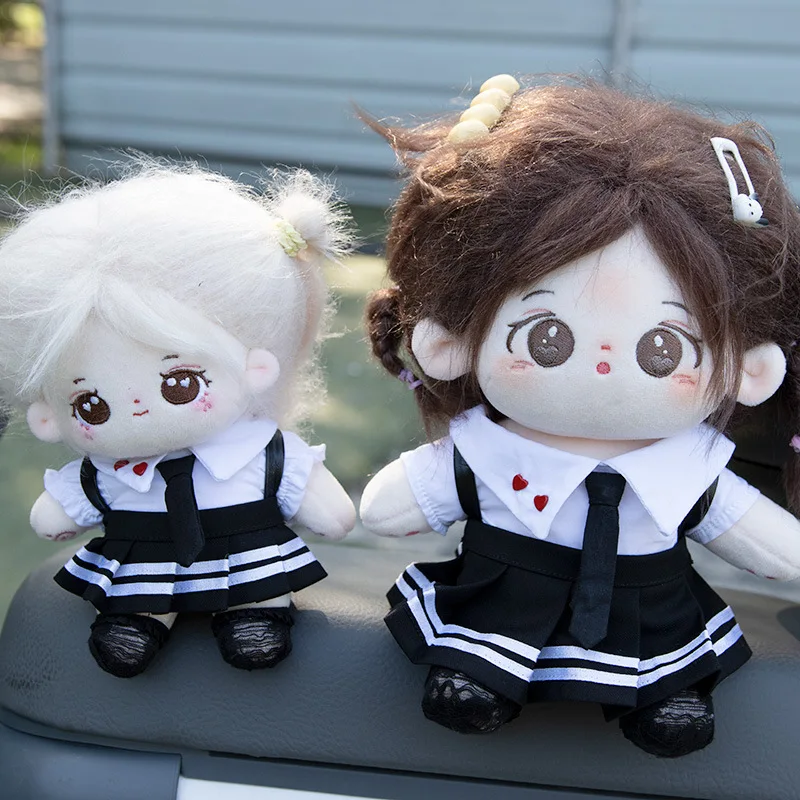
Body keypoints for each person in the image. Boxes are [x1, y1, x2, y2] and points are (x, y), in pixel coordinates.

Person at [359, 76, 800, 757]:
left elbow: (775, 551)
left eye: (663, 349)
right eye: (547, 338)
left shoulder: (689, 475)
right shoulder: (484, 459)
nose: (601, 366)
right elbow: (387, 511)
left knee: (668, 670)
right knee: (480, 662)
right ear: (450, 345)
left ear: (750, 371)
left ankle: (666, 692)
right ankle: (482, 674)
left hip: (650, 612)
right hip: (504, 601)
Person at [0, 164, 356, 677]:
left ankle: (253, 614)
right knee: (134, 611)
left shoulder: (263, 455)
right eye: (91, 405)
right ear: (48, 417)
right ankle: (138, 621)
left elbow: (331, 514)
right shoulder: (107, 471)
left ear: (253, 368)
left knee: (256, 604)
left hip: (249, 560)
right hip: (142, 564)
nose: (139, 409)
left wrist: (326, 509)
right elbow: (52, 517)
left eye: (180, 383)